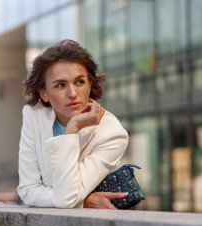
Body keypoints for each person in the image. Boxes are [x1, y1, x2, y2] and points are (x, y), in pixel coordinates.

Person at [17, 39, 129, 209]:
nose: (72, 93)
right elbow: (28, 189)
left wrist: (73, 127)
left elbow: (66, 200)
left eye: (79, 82)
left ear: (90, 85)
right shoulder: (34, 115)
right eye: (60, 85)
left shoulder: (112, 134)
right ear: (44, 93)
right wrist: (83, 201)